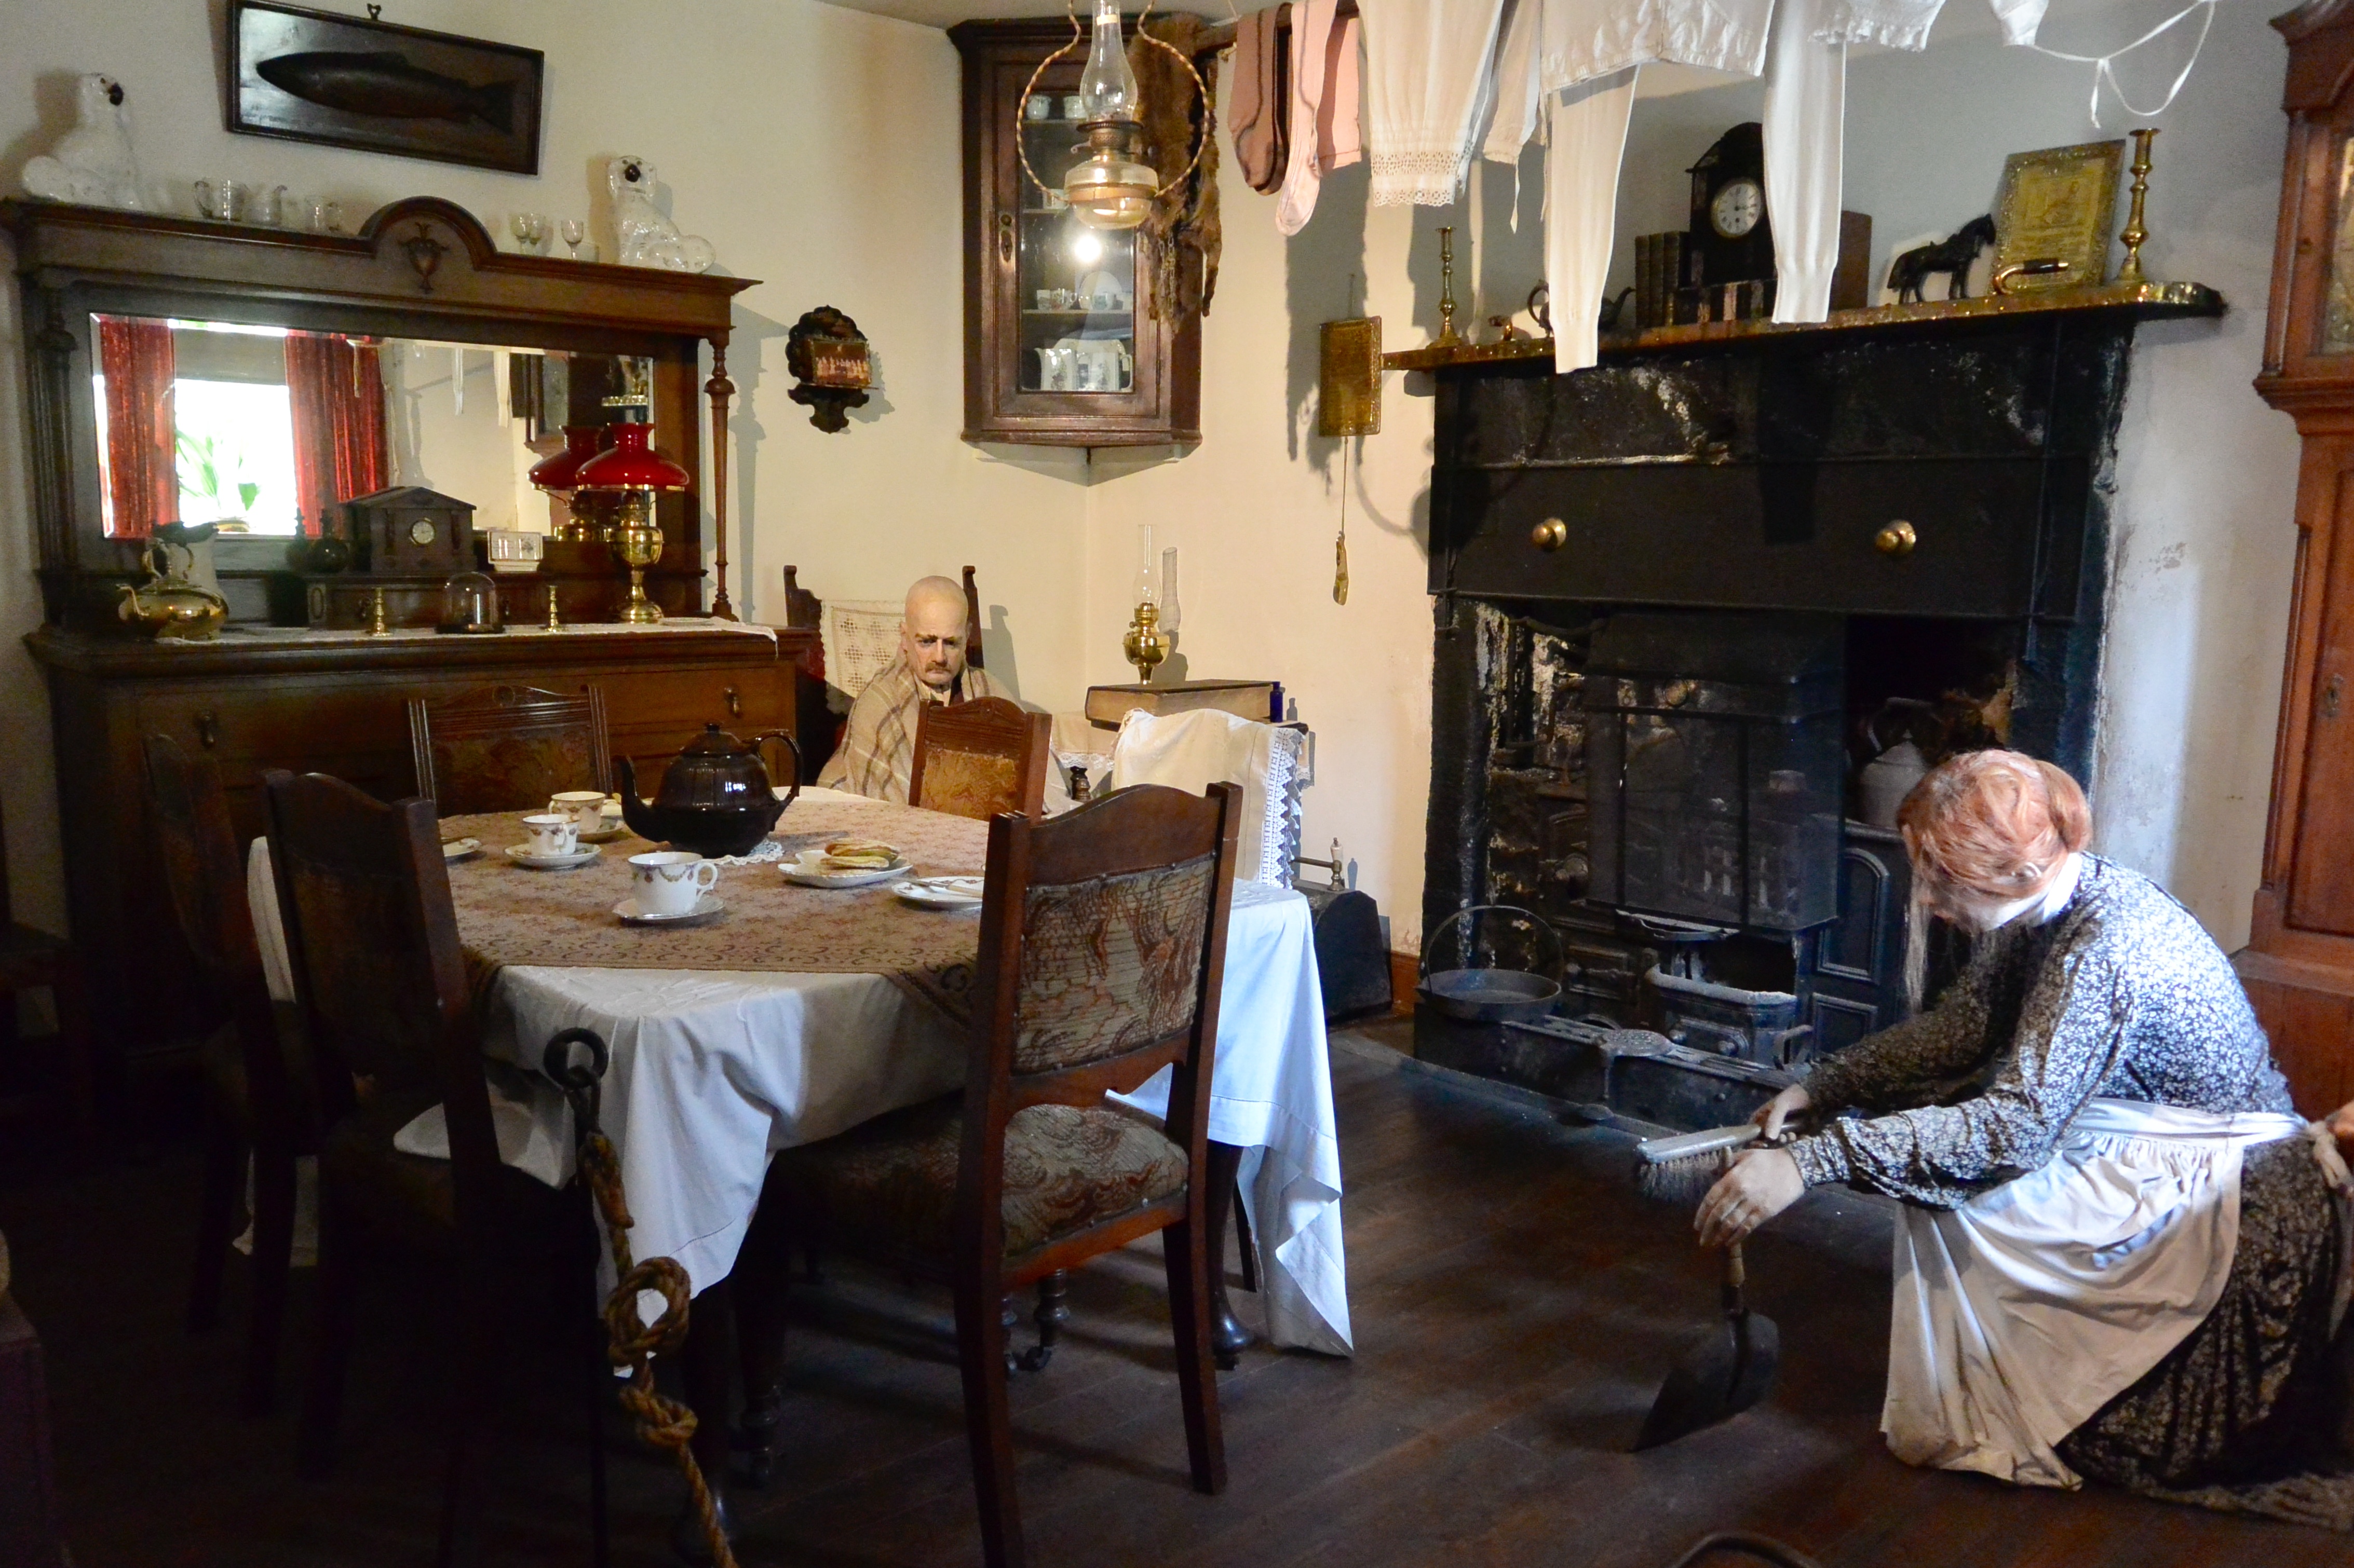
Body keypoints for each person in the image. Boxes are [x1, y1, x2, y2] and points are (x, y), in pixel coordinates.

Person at [1695, 749, 2354, 1526]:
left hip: (2228, 1182)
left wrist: (1810, 1164)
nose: (1929, 900)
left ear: (2017, 870)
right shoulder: (2051, 895)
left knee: (1969, 1196)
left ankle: (2034, 1398)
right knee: (1940, 1151)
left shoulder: (2106, 946)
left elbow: (2012, 1129)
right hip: (2146, 1135)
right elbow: (1964, 1027)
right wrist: (1824, 1086)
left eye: (1943, 881)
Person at [815, 575, 1012, 803]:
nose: (940, 657)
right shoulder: (878, 703)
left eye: (951, 643)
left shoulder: (990, 691)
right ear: (905, 637)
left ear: (967, 636)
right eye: (927, 642)